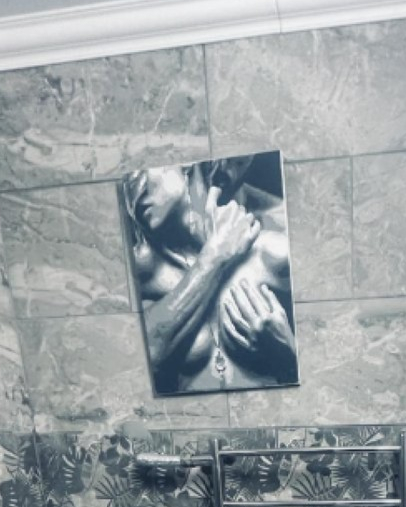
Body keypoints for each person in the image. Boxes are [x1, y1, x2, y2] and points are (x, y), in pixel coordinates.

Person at [122, 155, 298, 393]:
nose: (130, 191)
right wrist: (215, 256)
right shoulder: (144, 271)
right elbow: (138, 365)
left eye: (139, 174)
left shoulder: (274, 250)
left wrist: (288, 354)